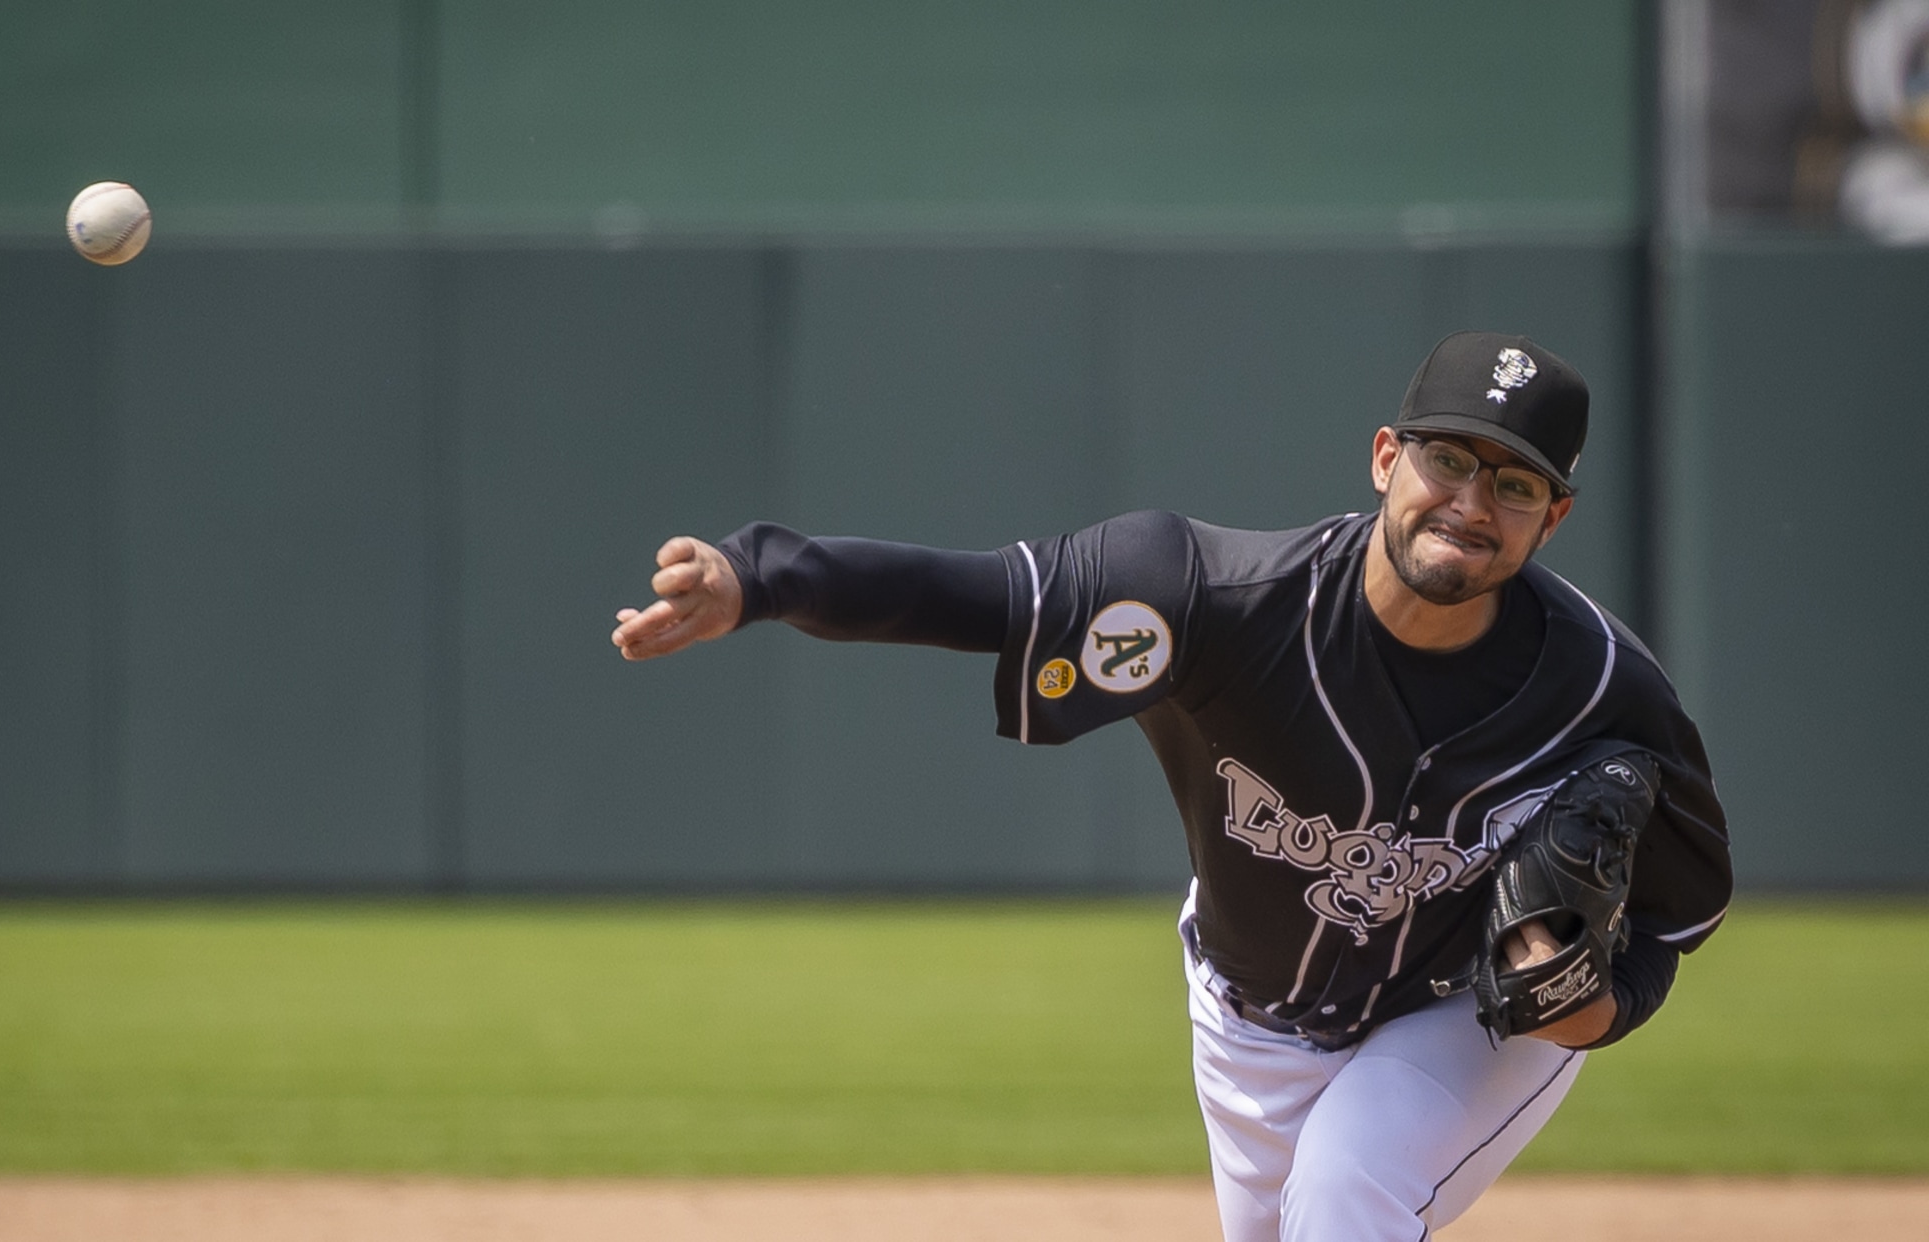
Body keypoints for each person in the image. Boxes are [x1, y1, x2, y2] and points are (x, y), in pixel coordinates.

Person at [609, 331, 1731, 1242]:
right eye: (1449, 460)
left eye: (1514, 483)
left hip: (1463, 1014)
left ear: (1554, 515)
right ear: (1387, 457)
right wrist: (760, 576)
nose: (1472, 504)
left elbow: (1675, 918)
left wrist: (1597, 1009)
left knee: (1347, 1195)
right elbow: (976, 595)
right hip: (1251, 1021)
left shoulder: (1605, 688)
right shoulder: (1215, 601)